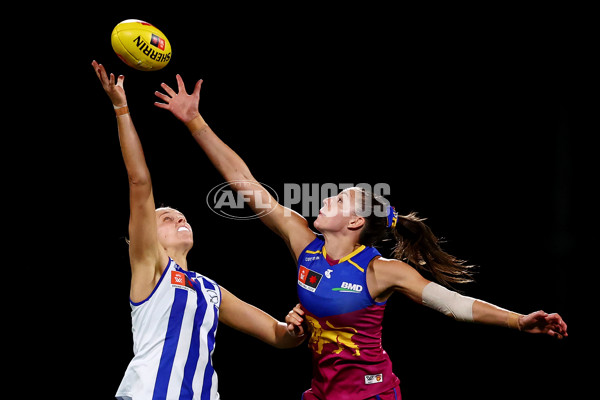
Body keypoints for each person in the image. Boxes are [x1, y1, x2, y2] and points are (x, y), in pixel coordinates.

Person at [154, 75, 568, 400]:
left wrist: (517, 321)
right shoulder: (303, 242)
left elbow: (455, 305)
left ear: (354, 224)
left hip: (371, 395)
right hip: (321, 392)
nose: (326, 199)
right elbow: (244, 180)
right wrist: (195, 121)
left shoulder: (382, 271)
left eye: (337, 199)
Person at [91, 61, 306, 400]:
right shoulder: (150, 268)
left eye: (181, 217)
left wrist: (297, 326)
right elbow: (139, 181)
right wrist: (121, 109)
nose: (180, 220)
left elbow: (277, 335)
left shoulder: (209, 290)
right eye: (167, 219)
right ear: (146, 236)